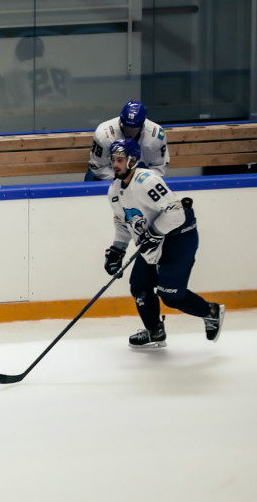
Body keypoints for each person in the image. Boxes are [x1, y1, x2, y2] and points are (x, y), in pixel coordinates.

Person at [103, 138, 225, 348]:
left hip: (178, 238)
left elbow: (176, 214)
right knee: (139, 287)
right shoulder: (114, 192)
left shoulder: (148, 181)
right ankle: (155, 332)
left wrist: (155, 232)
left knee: (171, 296)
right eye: (113, 159)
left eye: (120, 160)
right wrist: (117, 250)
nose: (115, 164)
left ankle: (211, 312)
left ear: (132, 160)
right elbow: (123, 224)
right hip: (153, 241)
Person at [86, 100, 168, 182]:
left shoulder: (156, 136)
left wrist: (139, 180)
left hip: (141, 173)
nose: (129, 132)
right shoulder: (104, 134)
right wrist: (123, 180)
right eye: (127, 127)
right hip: (109, 172)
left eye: (133, 128)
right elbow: (98, 167)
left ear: (142, 124)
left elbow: (158, 167)